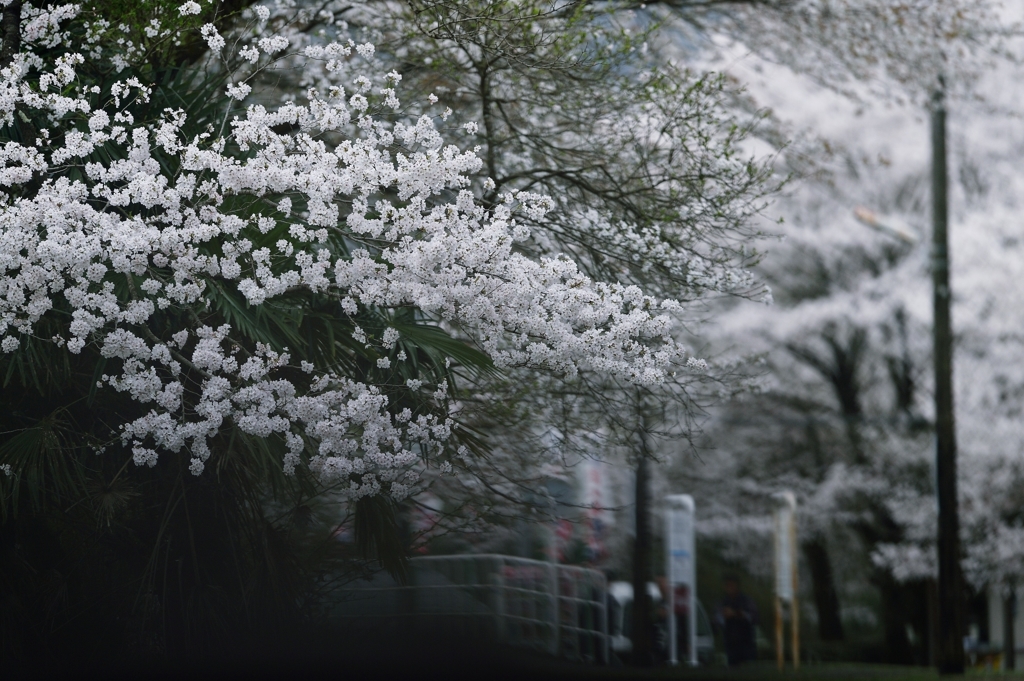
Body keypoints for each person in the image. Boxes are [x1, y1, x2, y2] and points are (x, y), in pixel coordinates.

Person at [715, 574, 758, 666]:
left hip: (746, 644)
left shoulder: (746, 601)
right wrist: (723, 616)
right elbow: (717, 620)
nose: (730, 588)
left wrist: (735, 613)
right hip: (730, 645)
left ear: (737, 586)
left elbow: (754, 617)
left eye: (732, 585)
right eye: (727, 585)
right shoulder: (723, 602)